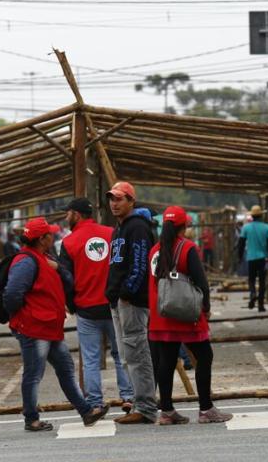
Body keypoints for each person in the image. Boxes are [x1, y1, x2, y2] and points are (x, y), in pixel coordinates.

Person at [4, 217, 106, 432]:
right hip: (35, 327)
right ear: (43, 238)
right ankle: (31, 418)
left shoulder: (43, 258)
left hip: (49, 327)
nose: (53, 236)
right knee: (34, 374)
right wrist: (23, 318)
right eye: (49, 234)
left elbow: (68, 279)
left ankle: (86, 412)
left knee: (66, 369)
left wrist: (58, 268)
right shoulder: (26, 261)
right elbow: (13, 295)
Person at [149, 206, 232, 425]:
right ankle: (206, 408)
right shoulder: (187, 248)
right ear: (183, 226)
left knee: (165, 362)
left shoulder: (154, 250)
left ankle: (166, 411)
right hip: (185, 313)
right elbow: (201, 282)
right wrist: (205, 307)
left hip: (162, 313)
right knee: (205, 357)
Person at [59, 198, 135, 415]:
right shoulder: (112, 233)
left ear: (77, 214)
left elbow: (66, 279)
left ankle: (95, 402)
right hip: (113, 305)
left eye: (68, 213)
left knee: (90, 359)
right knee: (121, 354)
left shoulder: (69, 242)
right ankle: (128, 396)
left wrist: (72, 305)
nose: (66, 217)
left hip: (86, 308)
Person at [104, 181, 158, 425]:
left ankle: (146, 407)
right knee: (127, 355)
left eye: (119, 199)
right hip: (119, 301)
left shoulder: (136, 227)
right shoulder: (120, 227)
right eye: (111, 199)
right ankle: (139, 403)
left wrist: (126, 292)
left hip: (132, 302)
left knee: (137, 354)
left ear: (131, 201)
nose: (114, 203)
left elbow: (139, 265)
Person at [239, 205, 268, 311]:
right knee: (262, 281)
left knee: (251, 279)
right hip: (262, 259)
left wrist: (240, 257)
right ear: (261, 216)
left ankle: (253, 293)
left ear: (252, 216)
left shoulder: (246, 227)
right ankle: (260, 305)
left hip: (251, 258)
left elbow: (241, 243)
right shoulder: (266, 227)